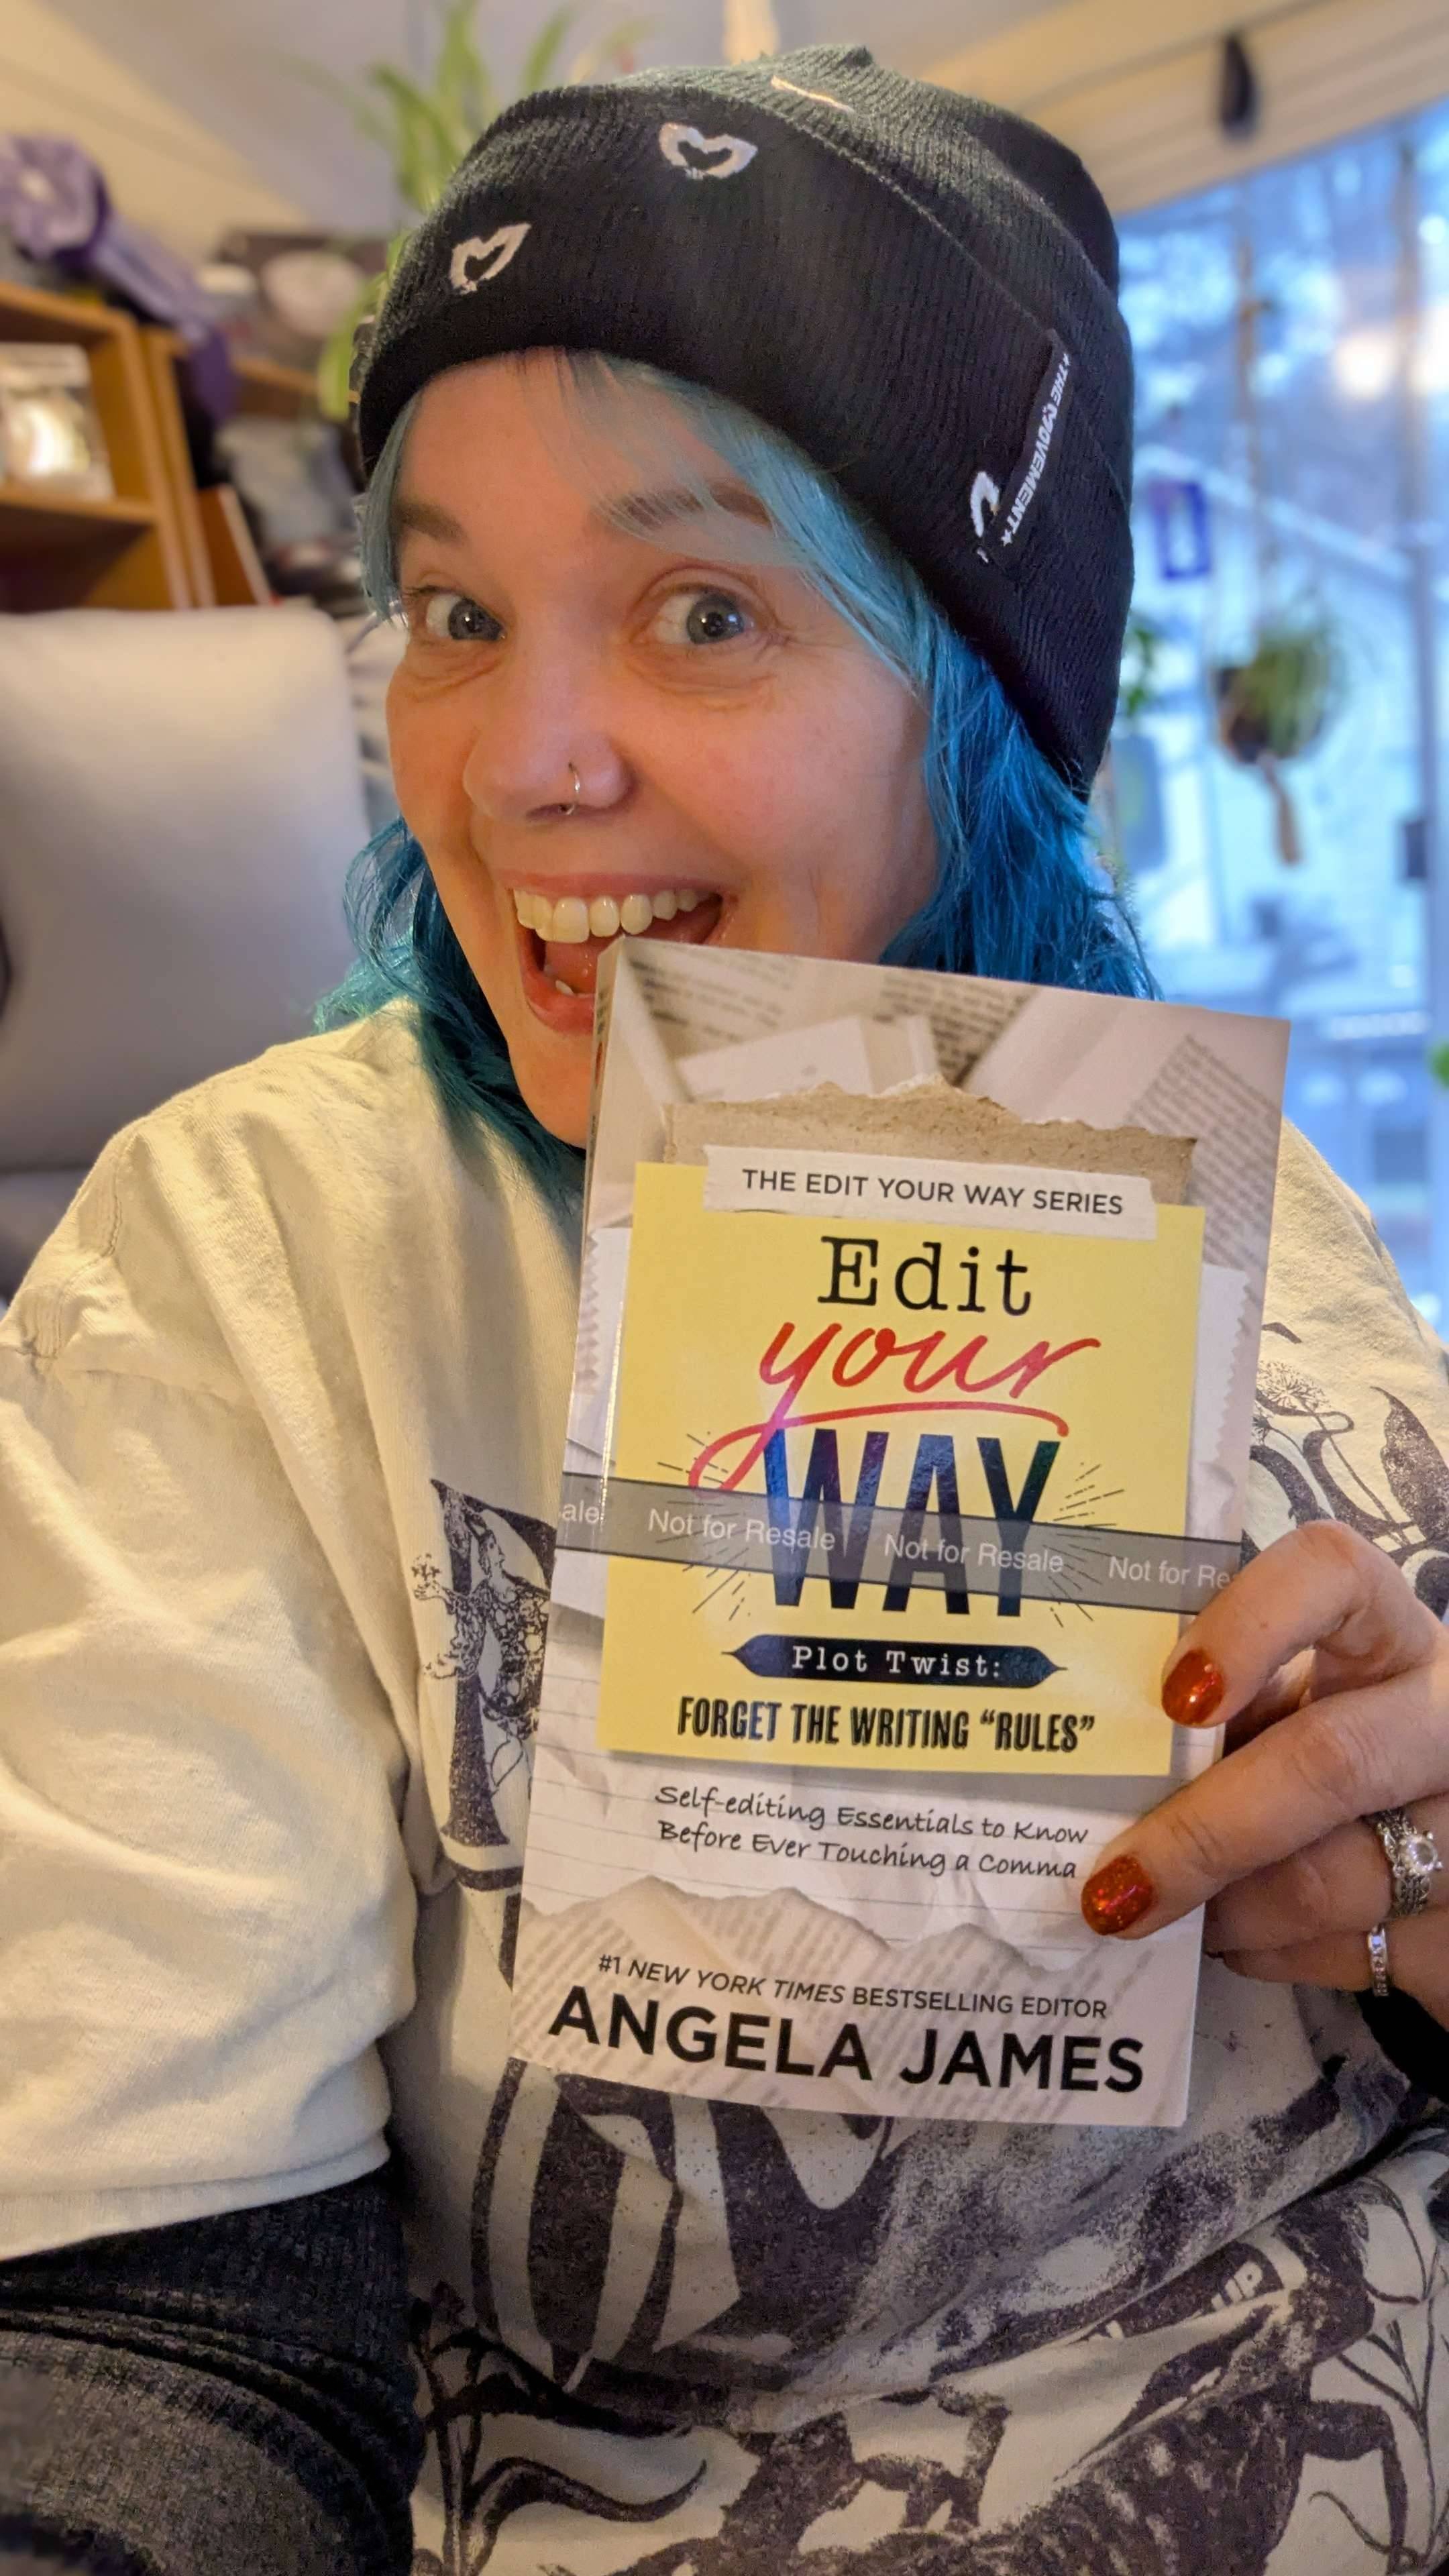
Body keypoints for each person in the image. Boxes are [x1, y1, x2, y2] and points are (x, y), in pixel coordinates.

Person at [3, 46, 1448, 2576]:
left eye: (702, 608)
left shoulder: (1225, 1183)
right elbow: (155, 2346)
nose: (513, 758)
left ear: (978, 701)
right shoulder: (237, 1262)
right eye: (453, 610)